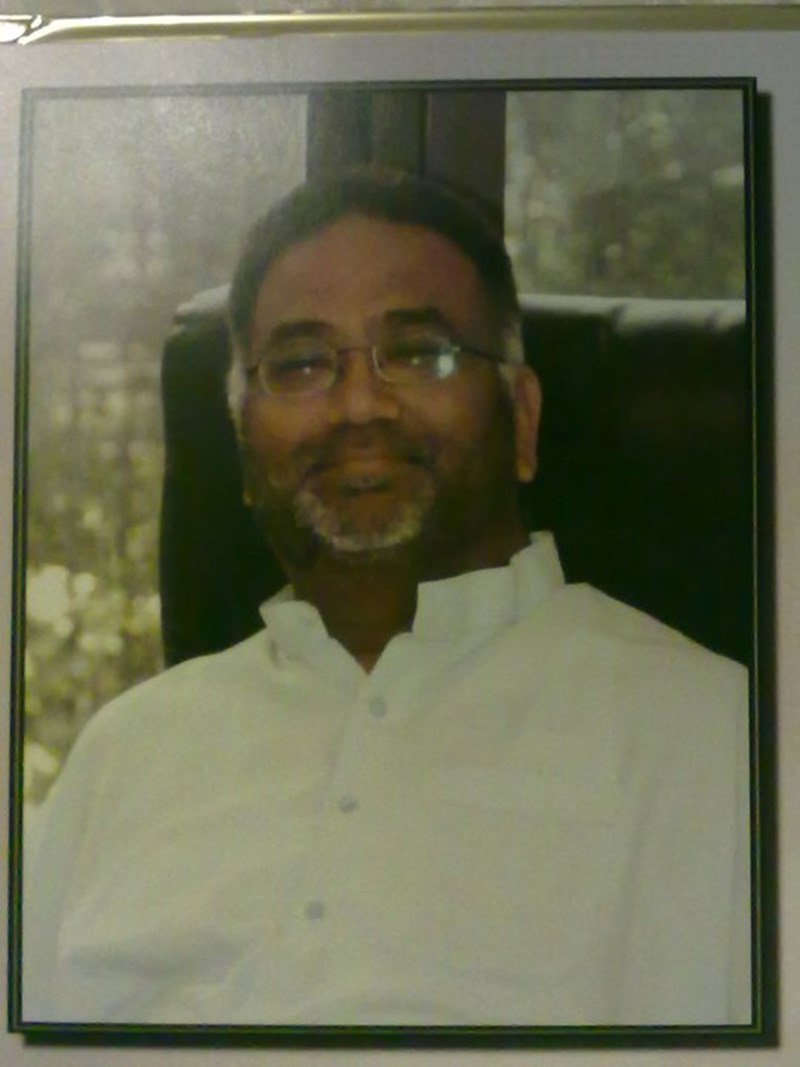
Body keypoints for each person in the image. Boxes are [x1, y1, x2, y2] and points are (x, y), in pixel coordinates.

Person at [23, 169, 751, 1028]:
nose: (359, 405)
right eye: (300, 364)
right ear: (244, 449)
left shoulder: (718, 739)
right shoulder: (127, 752)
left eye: (417, 352)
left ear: (521, 418)